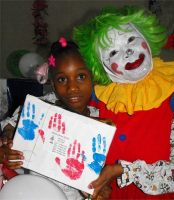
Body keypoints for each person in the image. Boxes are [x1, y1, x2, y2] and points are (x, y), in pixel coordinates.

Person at [73, 5, 174, 199]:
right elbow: (48, 108)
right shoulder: (95, 96)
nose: (127, 53)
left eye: (131, 39)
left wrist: (125, 171)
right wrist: (8, 131)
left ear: (146, 37)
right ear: (102, 66)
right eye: (113, 53)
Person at [0, 37, 111, 199]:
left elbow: (101, 176)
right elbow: (8, 128)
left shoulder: (100, 122)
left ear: (92, 77)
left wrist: (101, 190)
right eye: (62, 79)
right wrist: (6, 148)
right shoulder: (39, 110)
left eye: (80, 76)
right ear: (52, 83)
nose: (72, 87)